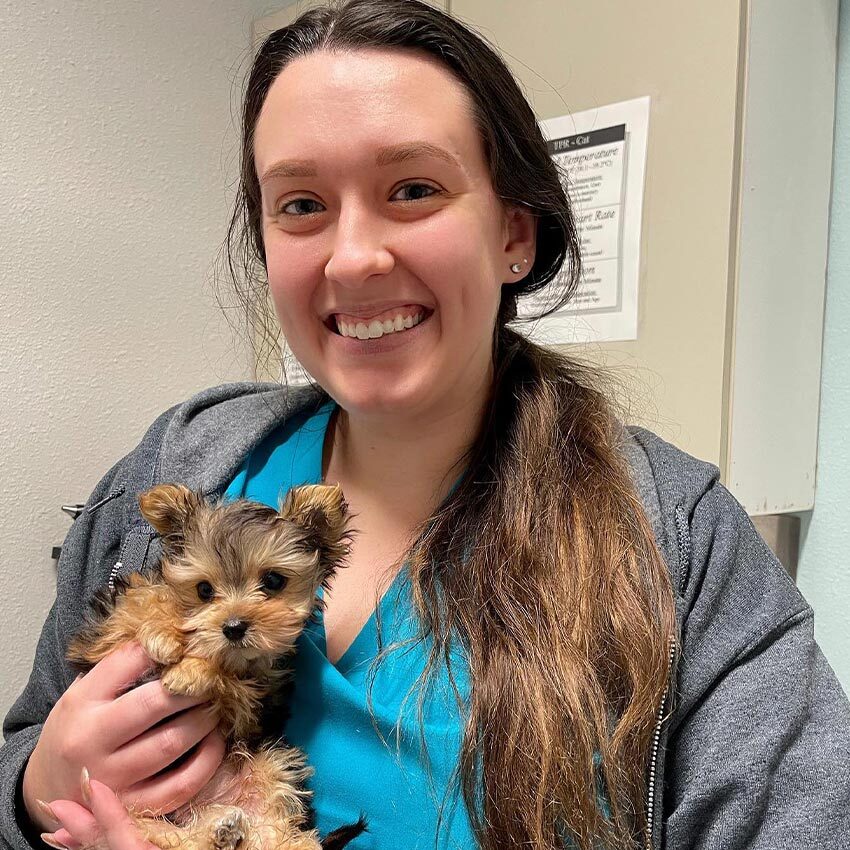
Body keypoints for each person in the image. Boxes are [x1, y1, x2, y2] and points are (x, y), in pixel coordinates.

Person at [3, 1, 849, 849]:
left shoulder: (680, 540)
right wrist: (35, 791)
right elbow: (23, 746)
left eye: (413, 189)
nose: (354, 257)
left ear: (515, 233)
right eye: (300, 204)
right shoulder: (180, 468)